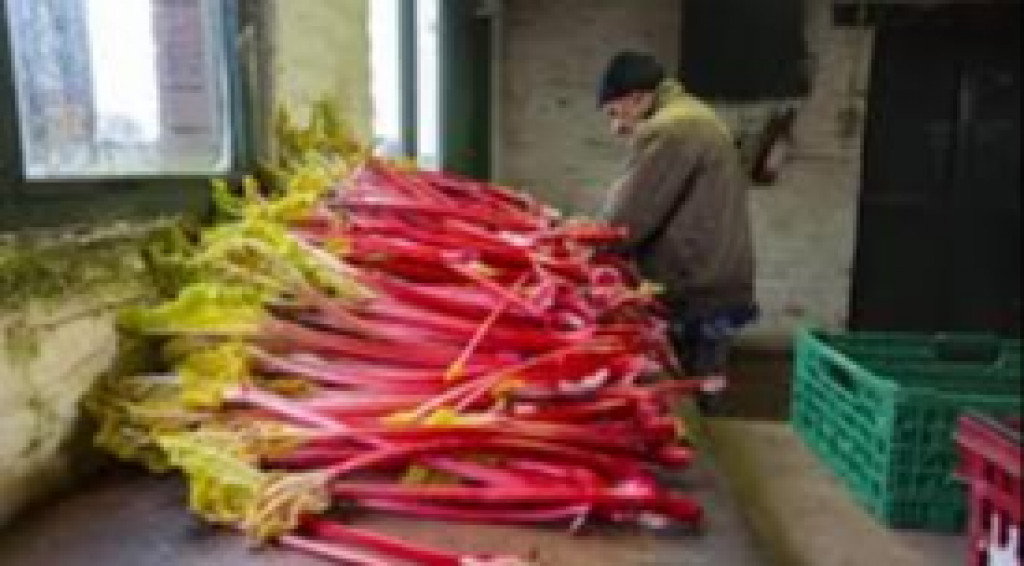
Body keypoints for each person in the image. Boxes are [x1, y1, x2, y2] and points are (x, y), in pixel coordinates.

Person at [597, 50, 757, 386]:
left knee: (686, 386)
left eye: (615, 113)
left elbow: (626, 220)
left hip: (694, 286)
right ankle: (710, 410)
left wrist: (585, 248)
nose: (616, 128)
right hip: (716, 278)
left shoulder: (671, 129)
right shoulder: (695, 115)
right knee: (705, 379)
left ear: (638, 98)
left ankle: (705, 414)